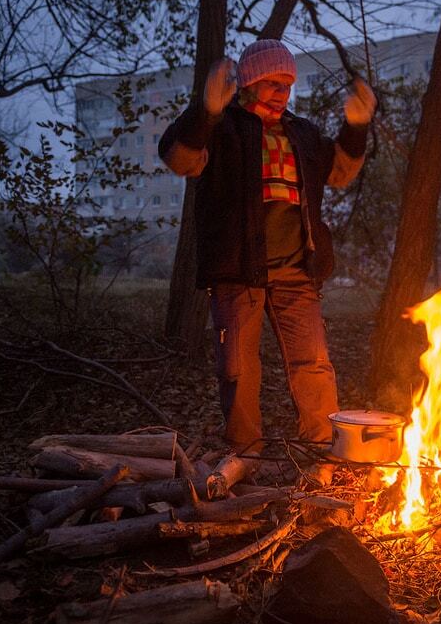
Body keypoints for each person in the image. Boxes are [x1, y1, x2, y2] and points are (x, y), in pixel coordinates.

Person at [159, 39, 376, 455]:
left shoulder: (304, 133)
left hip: (298, 271)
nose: (282, 92)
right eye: (272, 83)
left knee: (313, 366)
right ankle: (244, 454)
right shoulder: (222, 129)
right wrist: (206, 111)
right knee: (237, 369)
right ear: (249, 83)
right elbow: (180, 159)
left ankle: (321, 452)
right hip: (237, 271)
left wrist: (357, 126)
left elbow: (341, 172)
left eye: (288, 84)